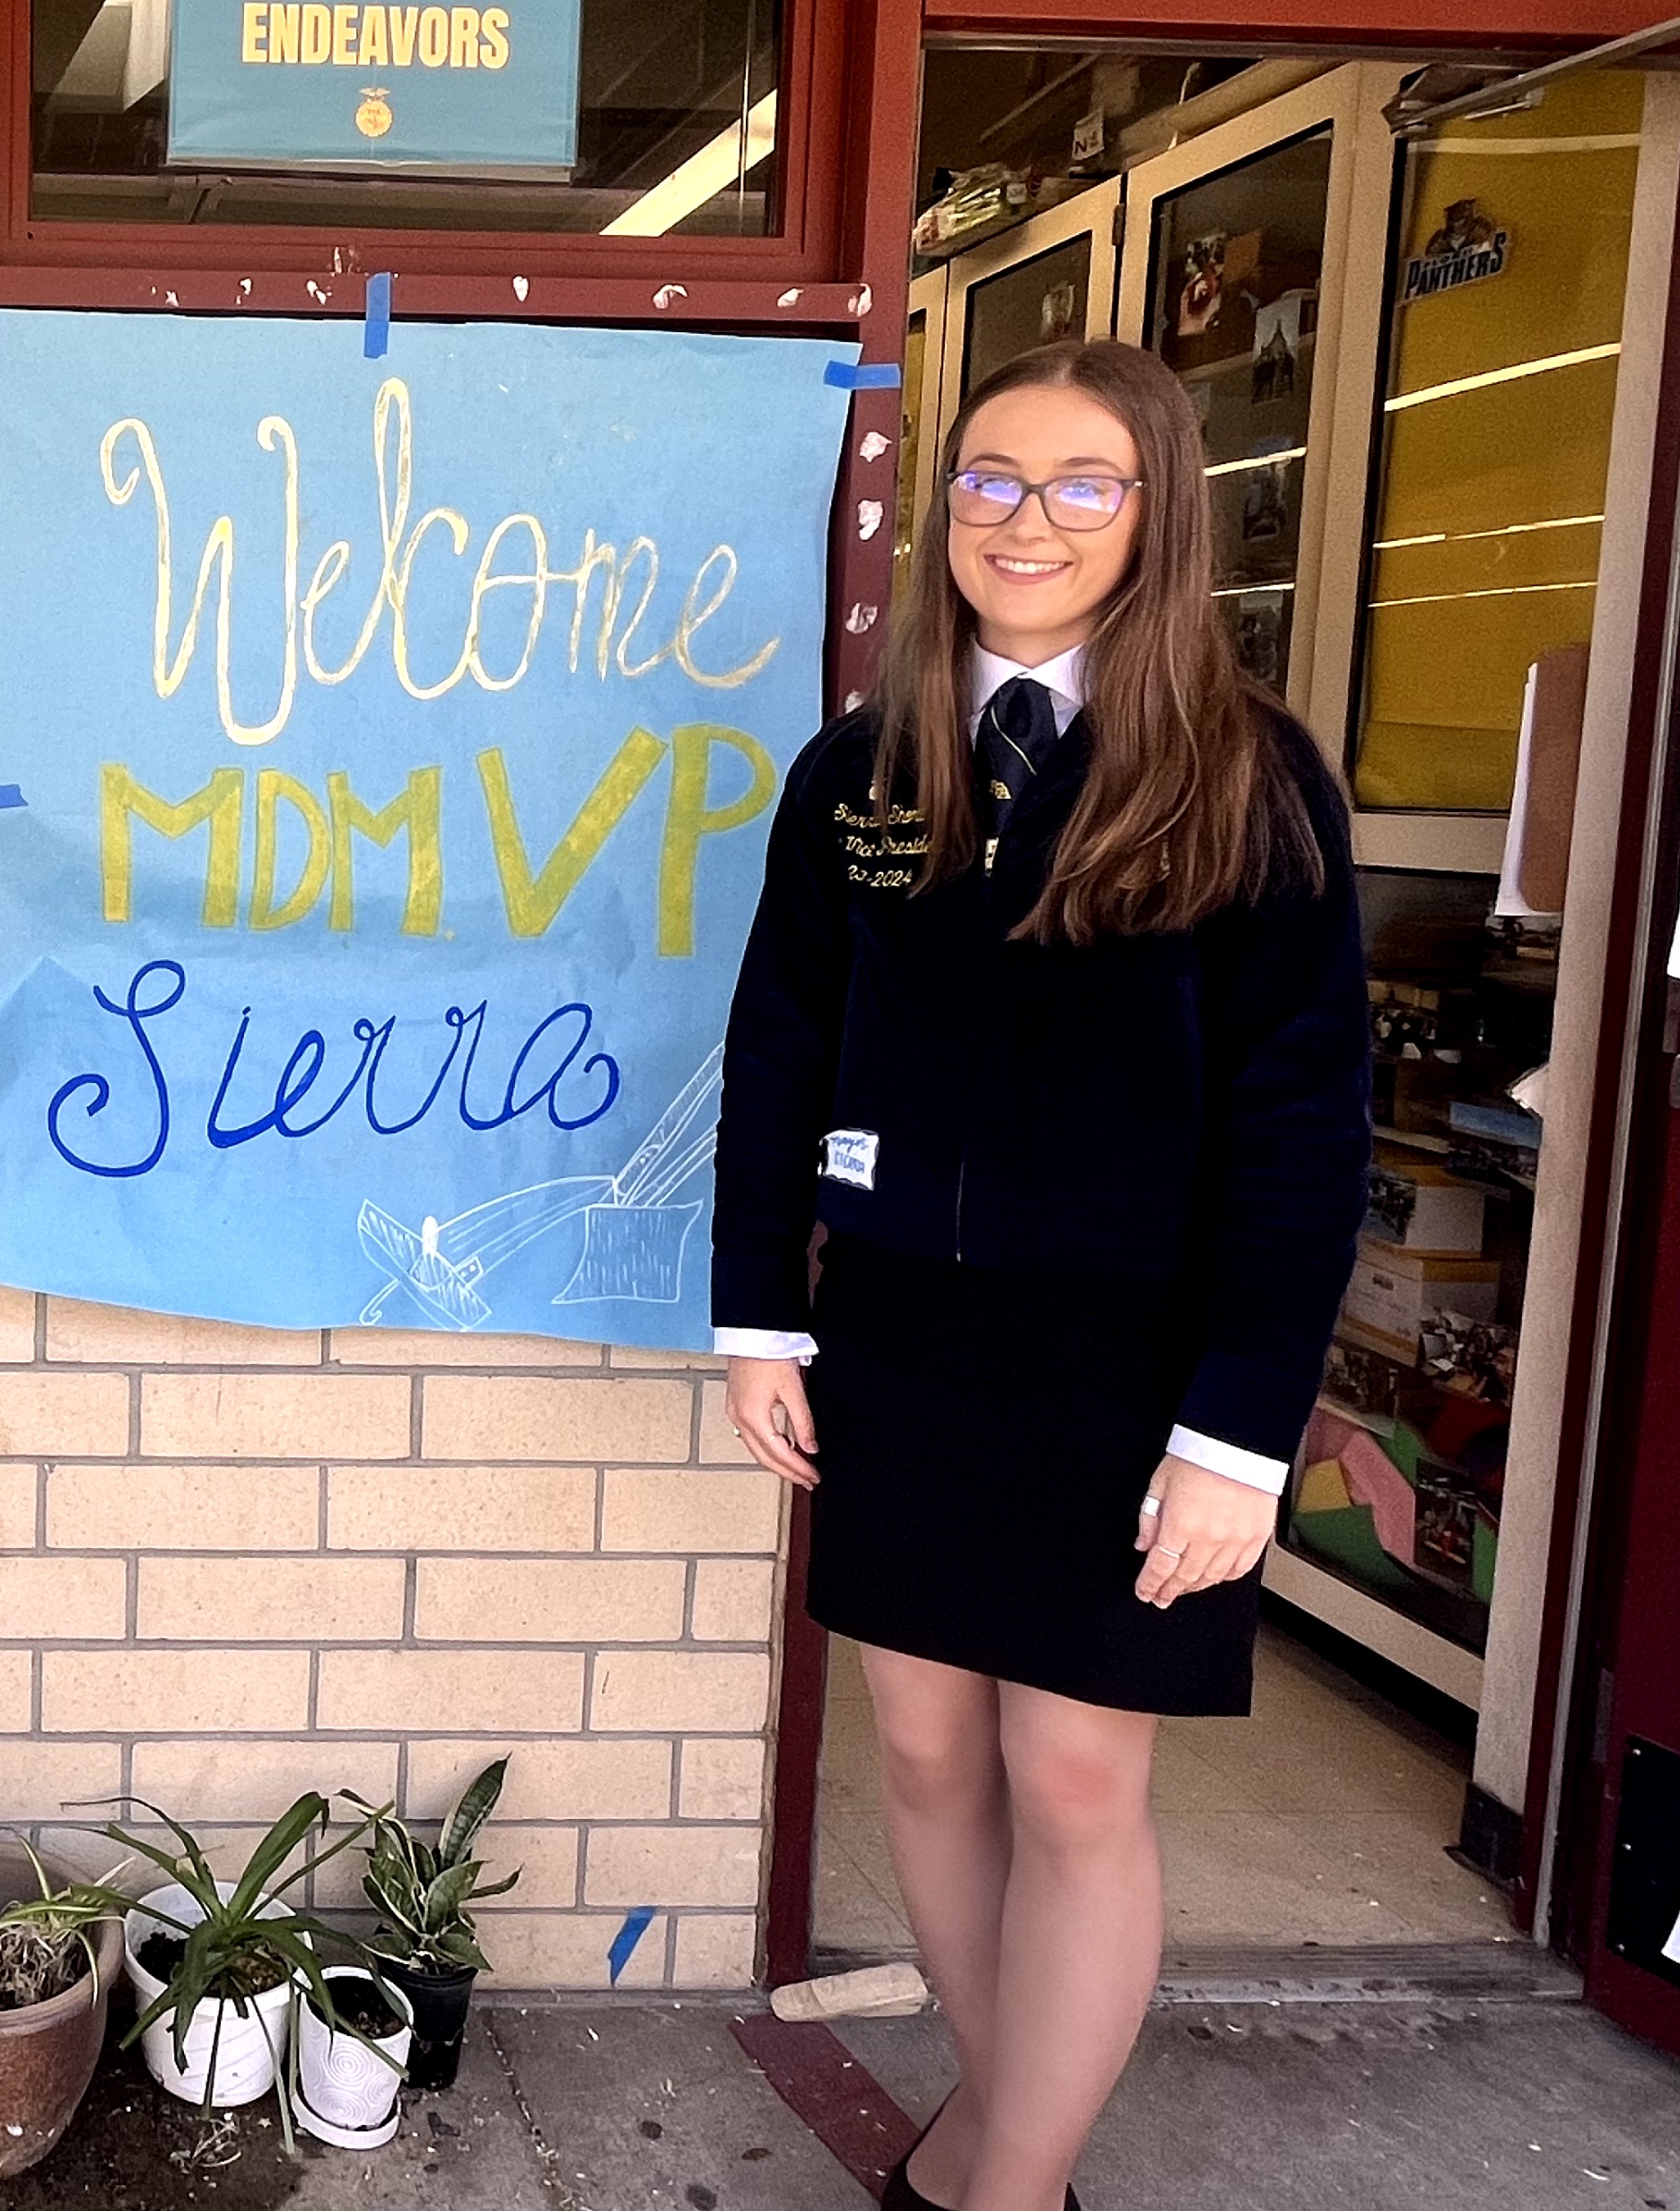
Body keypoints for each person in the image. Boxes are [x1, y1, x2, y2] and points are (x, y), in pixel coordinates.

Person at [710, 338, 1370, 2211]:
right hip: (903, 1338)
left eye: (1085, 482)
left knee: (1075, 1780)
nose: (1027, 518)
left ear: (1158, 515)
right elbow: (780, 1042)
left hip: (1130, 1362)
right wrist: (761, 1308)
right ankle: (1017, 2137)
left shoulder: (1248, 782)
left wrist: (1238, 1432)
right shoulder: (862, 766)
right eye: (991, 478)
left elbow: (1301, 1132)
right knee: (921, 1757)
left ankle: (987, 2188)